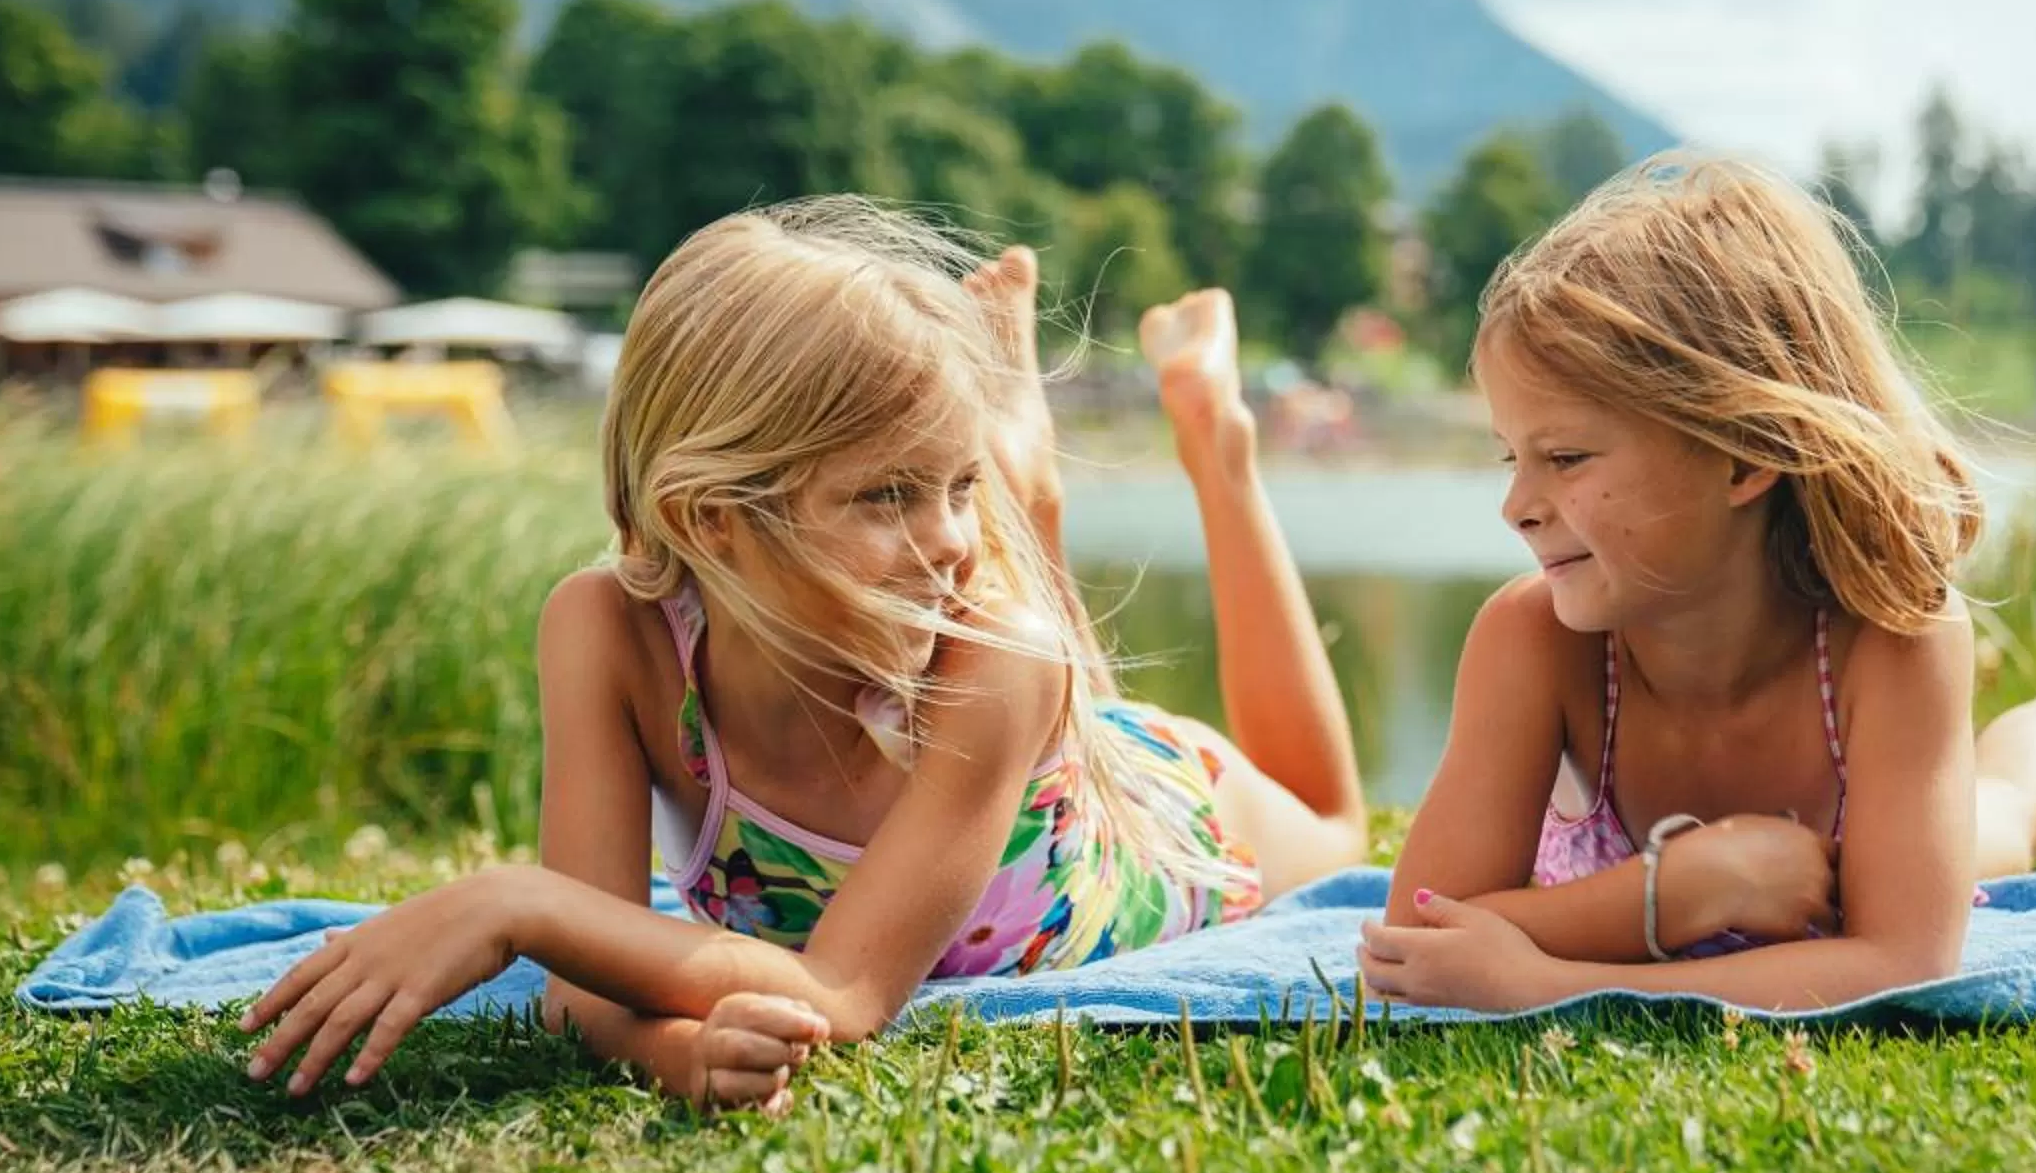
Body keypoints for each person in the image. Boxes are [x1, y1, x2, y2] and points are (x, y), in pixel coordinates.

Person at [244, 200, 1366, 1110]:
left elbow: (843, 987)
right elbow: (588, 987)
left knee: (1332, 821)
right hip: (1007, 750)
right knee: (992, 588)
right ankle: (1009, 452)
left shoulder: (998, 652)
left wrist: (510, 905)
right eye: (886, 492)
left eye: (955, 486)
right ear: (706, 518)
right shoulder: (605, 632)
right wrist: (675, 1053)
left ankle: (1206, 438)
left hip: (1150, 825)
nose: (944, 538)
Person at [1360, 155, 2036, 1012]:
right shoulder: (1535, 639)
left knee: (2003, 820)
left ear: (1744, 457)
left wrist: (1561, 981)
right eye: (1514, 457)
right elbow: (1419, 939)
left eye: (1566, 458)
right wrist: (1686, 888)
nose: (1517, 507)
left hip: (1864, 848)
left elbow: (1902, 959)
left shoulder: (1894, 636)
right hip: (1709, 878)